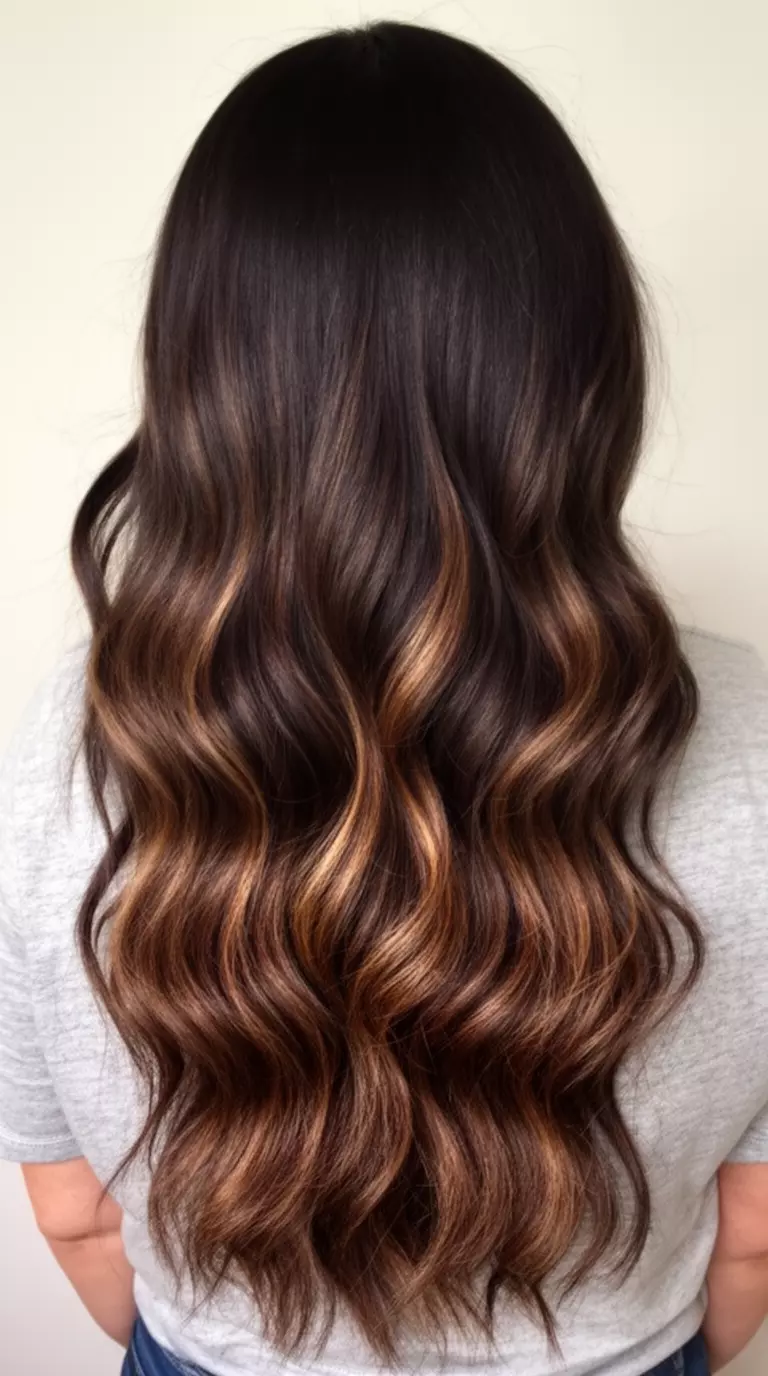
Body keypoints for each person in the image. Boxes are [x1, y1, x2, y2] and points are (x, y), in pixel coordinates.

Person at [2, 19, 767, 1376]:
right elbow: (754, 1231)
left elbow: (71, 1209)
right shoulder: (754, 740)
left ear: (207, 376)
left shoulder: (71, 742)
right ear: (579, 372)